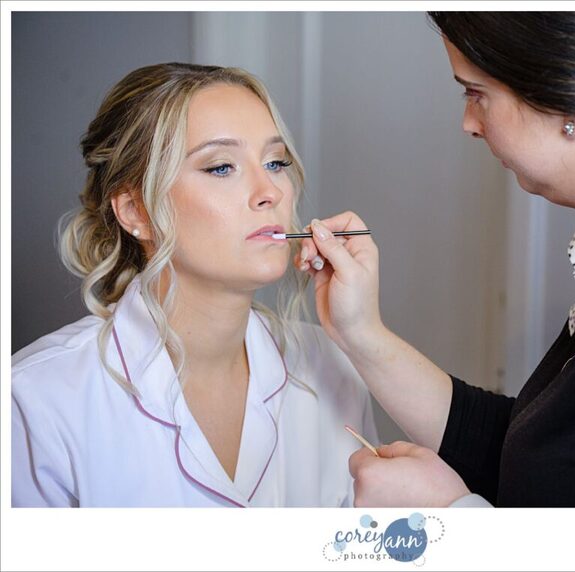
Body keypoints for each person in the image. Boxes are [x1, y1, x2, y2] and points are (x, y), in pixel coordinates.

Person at [296, 13, 575, 507]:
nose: (468, 124)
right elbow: (544, 459)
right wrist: (360, 332)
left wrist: (454, 520)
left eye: (476, 94)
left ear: (566, 102)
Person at [11, 63, 378, 507]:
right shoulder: (34, 399)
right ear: (135, 212)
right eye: (222, 167)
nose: (270, 192)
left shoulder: (334, 364)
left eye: (275, 162)